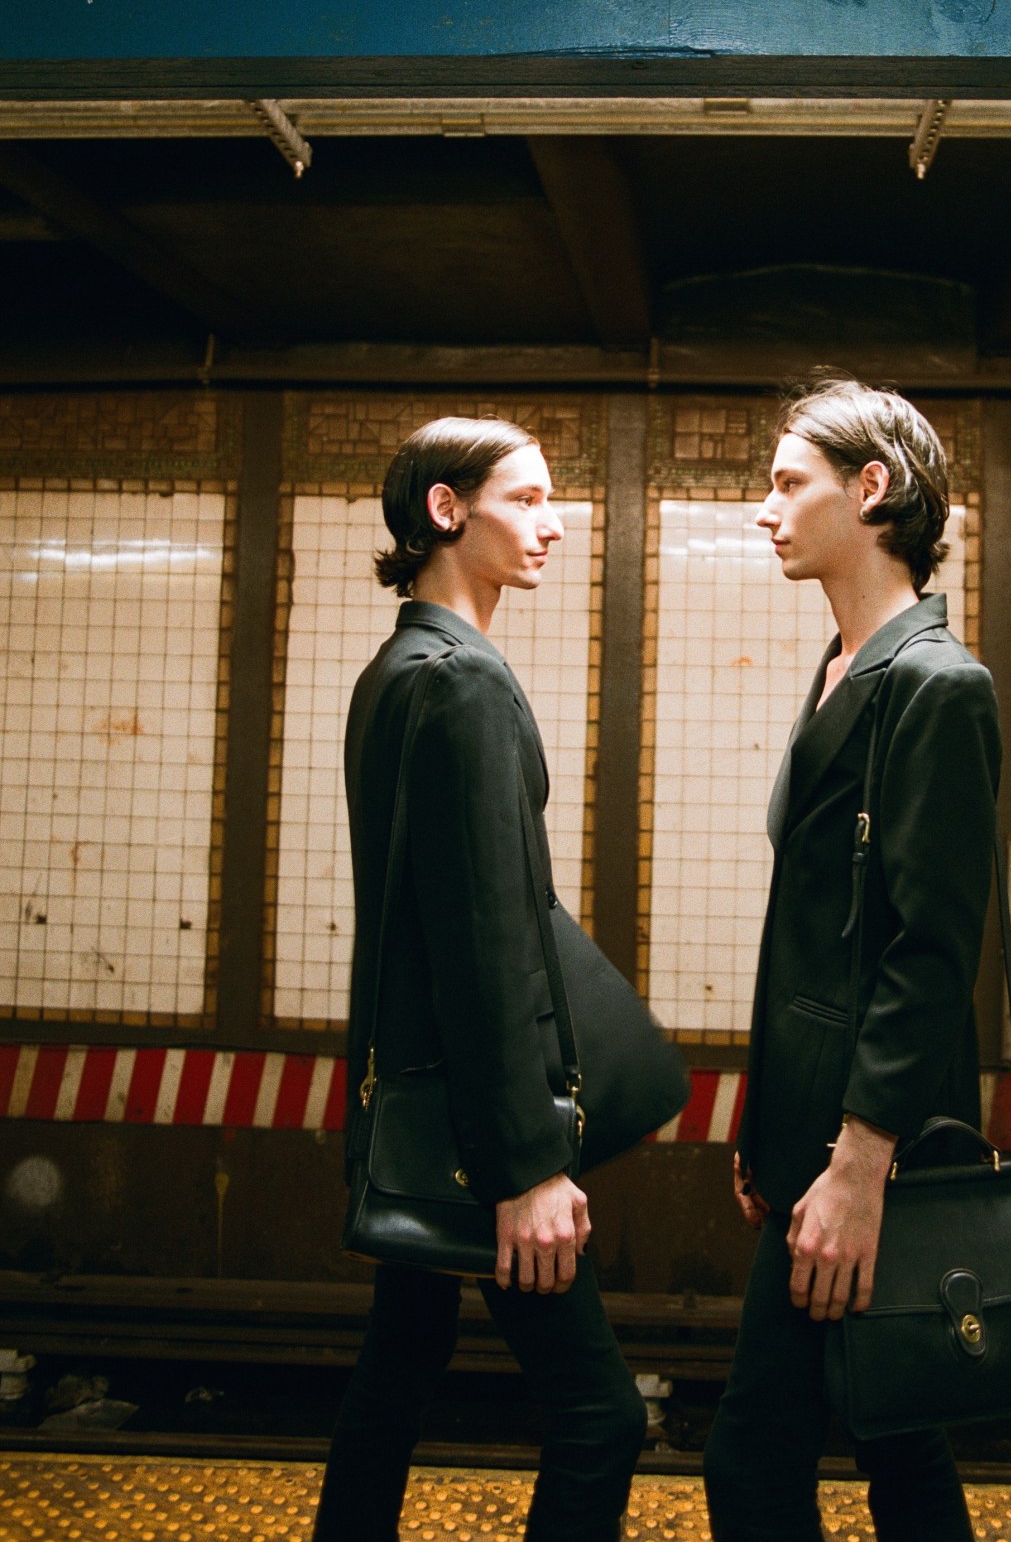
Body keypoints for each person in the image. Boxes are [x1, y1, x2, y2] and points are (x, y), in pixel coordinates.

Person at [315, 416, 646, 1542]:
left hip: (419, 1100)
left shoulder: (392, 673)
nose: (554, 523)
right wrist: (527, 1165)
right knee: (603, 1418)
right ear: (448, 511)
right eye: (530, 497)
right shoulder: (462, 683)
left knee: (399, 1368)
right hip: (481, 1127)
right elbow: (486, 939)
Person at [703, 379, 1002, 1542]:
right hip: (814, 1140)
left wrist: (857, 1163)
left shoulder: (936, 685)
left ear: (870, 488)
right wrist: (764, 1123)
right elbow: (812, 935)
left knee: (756, 1461)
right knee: (896, 1440)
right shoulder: (842, 667)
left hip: (872, 1155)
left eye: (788, 482)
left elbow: (930, 951)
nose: (764, 509)